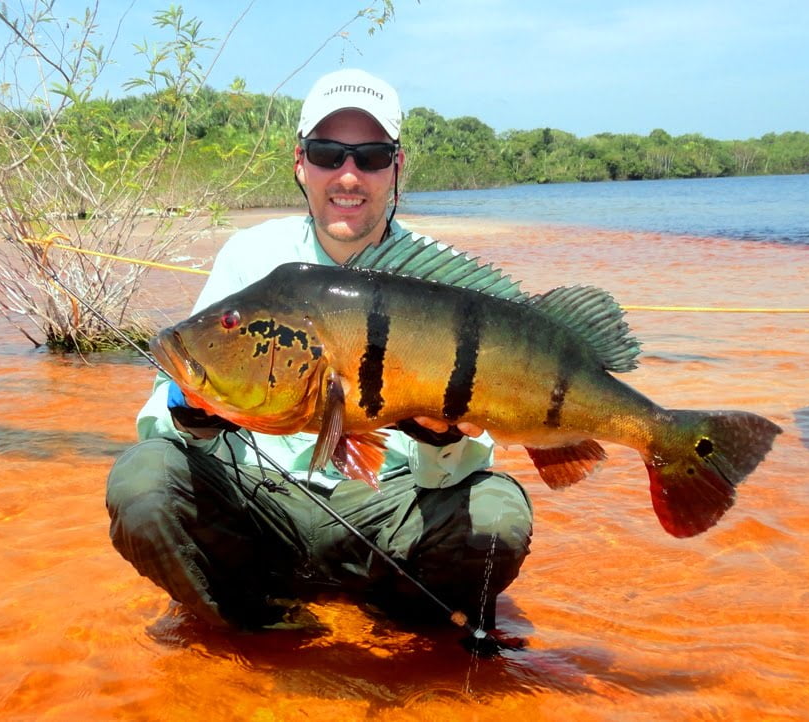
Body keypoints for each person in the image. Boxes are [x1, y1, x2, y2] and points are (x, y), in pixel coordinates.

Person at [105, 69, 533, 634]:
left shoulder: (440, 281)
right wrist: (190, 412)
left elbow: (468, 462)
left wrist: (442, 438)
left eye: (371, 157)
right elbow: (163, 417)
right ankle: (264, 626)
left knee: (498, 516)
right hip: (263, 502)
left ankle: (397, 625)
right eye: (328, 153)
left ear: (397, 167)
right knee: (144, 482)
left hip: (387, 507)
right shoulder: (251, 256)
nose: (348, 175)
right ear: (300, 163)